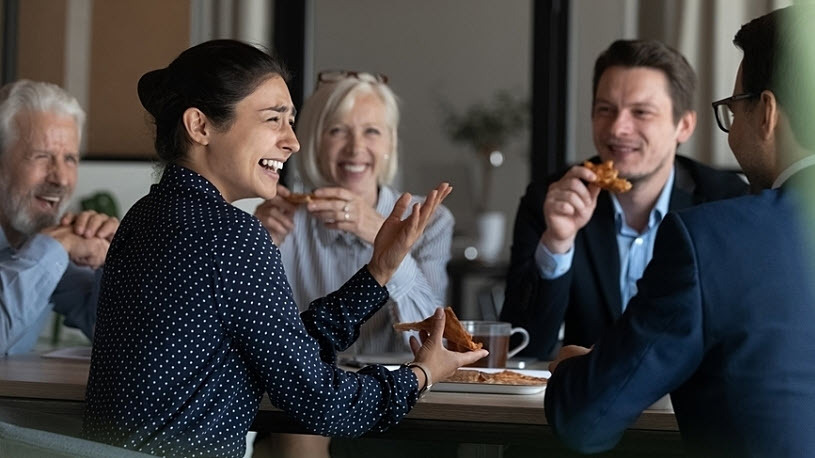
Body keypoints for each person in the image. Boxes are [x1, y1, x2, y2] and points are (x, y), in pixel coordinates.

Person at [82, 40, 486, 458]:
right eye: (274, 120)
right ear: (200, 126)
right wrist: (421, 374)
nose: (291, 141)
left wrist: (380, 271)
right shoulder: (231, 234)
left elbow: (283, 348)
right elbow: (324, 404)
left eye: (291, 122)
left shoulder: (145, 216)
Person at [544, 5, 815, 456]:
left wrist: (576, 371)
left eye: (734, 109)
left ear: (766, 112)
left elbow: (585, 421)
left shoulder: (713, 239)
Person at [500, 39, 748, 360]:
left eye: (641, 112)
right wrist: (557, 244)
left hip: (687, 406)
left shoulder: (726, 203)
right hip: (586, 404)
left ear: (684, 125)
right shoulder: (551, 198)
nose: (618, 128)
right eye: (605, 110)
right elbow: (522, 347)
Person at [254, 70, 453, 355]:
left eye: (372, 131)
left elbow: (432, 345)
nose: (356, 147)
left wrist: (379, 234)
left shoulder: (431, 221)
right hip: (306, 392)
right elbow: (259, 340)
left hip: (401, 392)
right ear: (314, 143)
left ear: (390, 143)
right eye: (337, 131)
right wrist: (256, 248)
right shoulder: (281, 220)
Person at [0, 79, 118, 356]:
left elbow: (116, 335)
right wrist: (53, 248)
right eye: (41, 156)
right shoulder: (47, 250)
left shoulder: (37, 239)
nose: (61, 178)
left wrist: (112, 260)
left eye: (70, 159)